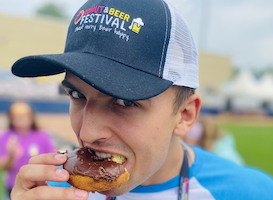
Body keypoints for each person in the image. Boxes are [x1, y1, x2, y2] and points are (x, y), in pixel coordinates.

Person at [10, 0, 273, 199]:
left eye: (125, 101)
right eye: (77, 95)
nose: (87, 133)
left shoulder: (252, 193)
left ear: (184, 115)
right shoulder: (52, 189)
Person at [0, 101, 56, 199]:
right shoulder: (5, 136)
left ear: (31, 117)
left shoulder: (42, 136)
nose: (21, 120)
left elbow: (53, 159)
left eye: (24, 116)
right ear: (11, 118)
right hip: (13, 187)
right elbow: (3, 166)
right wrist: (11, 155)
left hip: (38, 186)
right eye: (16, 117)